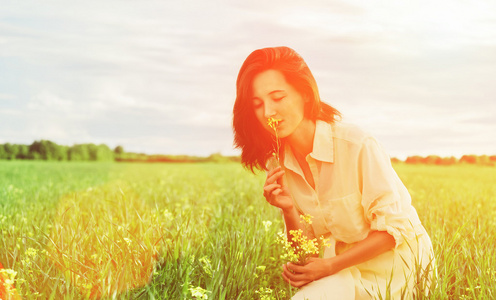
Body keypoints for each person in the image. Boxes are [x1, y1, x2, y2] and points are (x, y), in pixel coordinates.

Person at [232, 46, 435, 299]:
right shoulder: (278, 163)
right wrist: (288, 209)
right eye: (258, 104)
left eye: (278, 97)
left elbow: (394, 231)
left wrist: (329, 266)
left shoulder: (356, 144)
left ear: (305, 94)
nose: (268, 112)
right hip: (341, 272)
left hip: (398, 270)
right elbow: (306, 254)